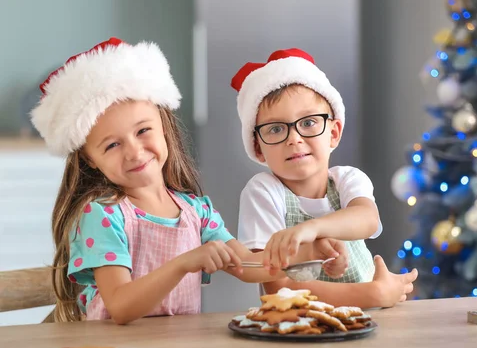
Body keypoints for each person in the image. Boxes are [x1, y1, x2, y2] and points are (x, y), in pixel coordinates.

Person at [30, 38, 347, 325]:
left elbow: (249, 265)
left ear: (164, 126)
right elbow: (121, 307)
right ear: (89, 160)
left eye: (143, 131)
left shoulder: (196, 211)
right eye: (112, 145)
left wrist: (309, 251)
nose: (134, 151)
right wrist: (184, 263)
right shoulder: (102, 216)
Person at [231, 48, 418, 308]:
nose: (294, 138)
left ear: (333, 133)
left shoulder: (347, 180)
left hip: (365, 321)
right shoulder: (263, 191)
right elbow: (279, 289)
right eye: (275, 129)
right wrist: (372, 295)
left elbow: (367, 219)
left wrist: (311, 229)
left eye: (308, 123)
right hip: (297, 329)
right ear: (259, 147)